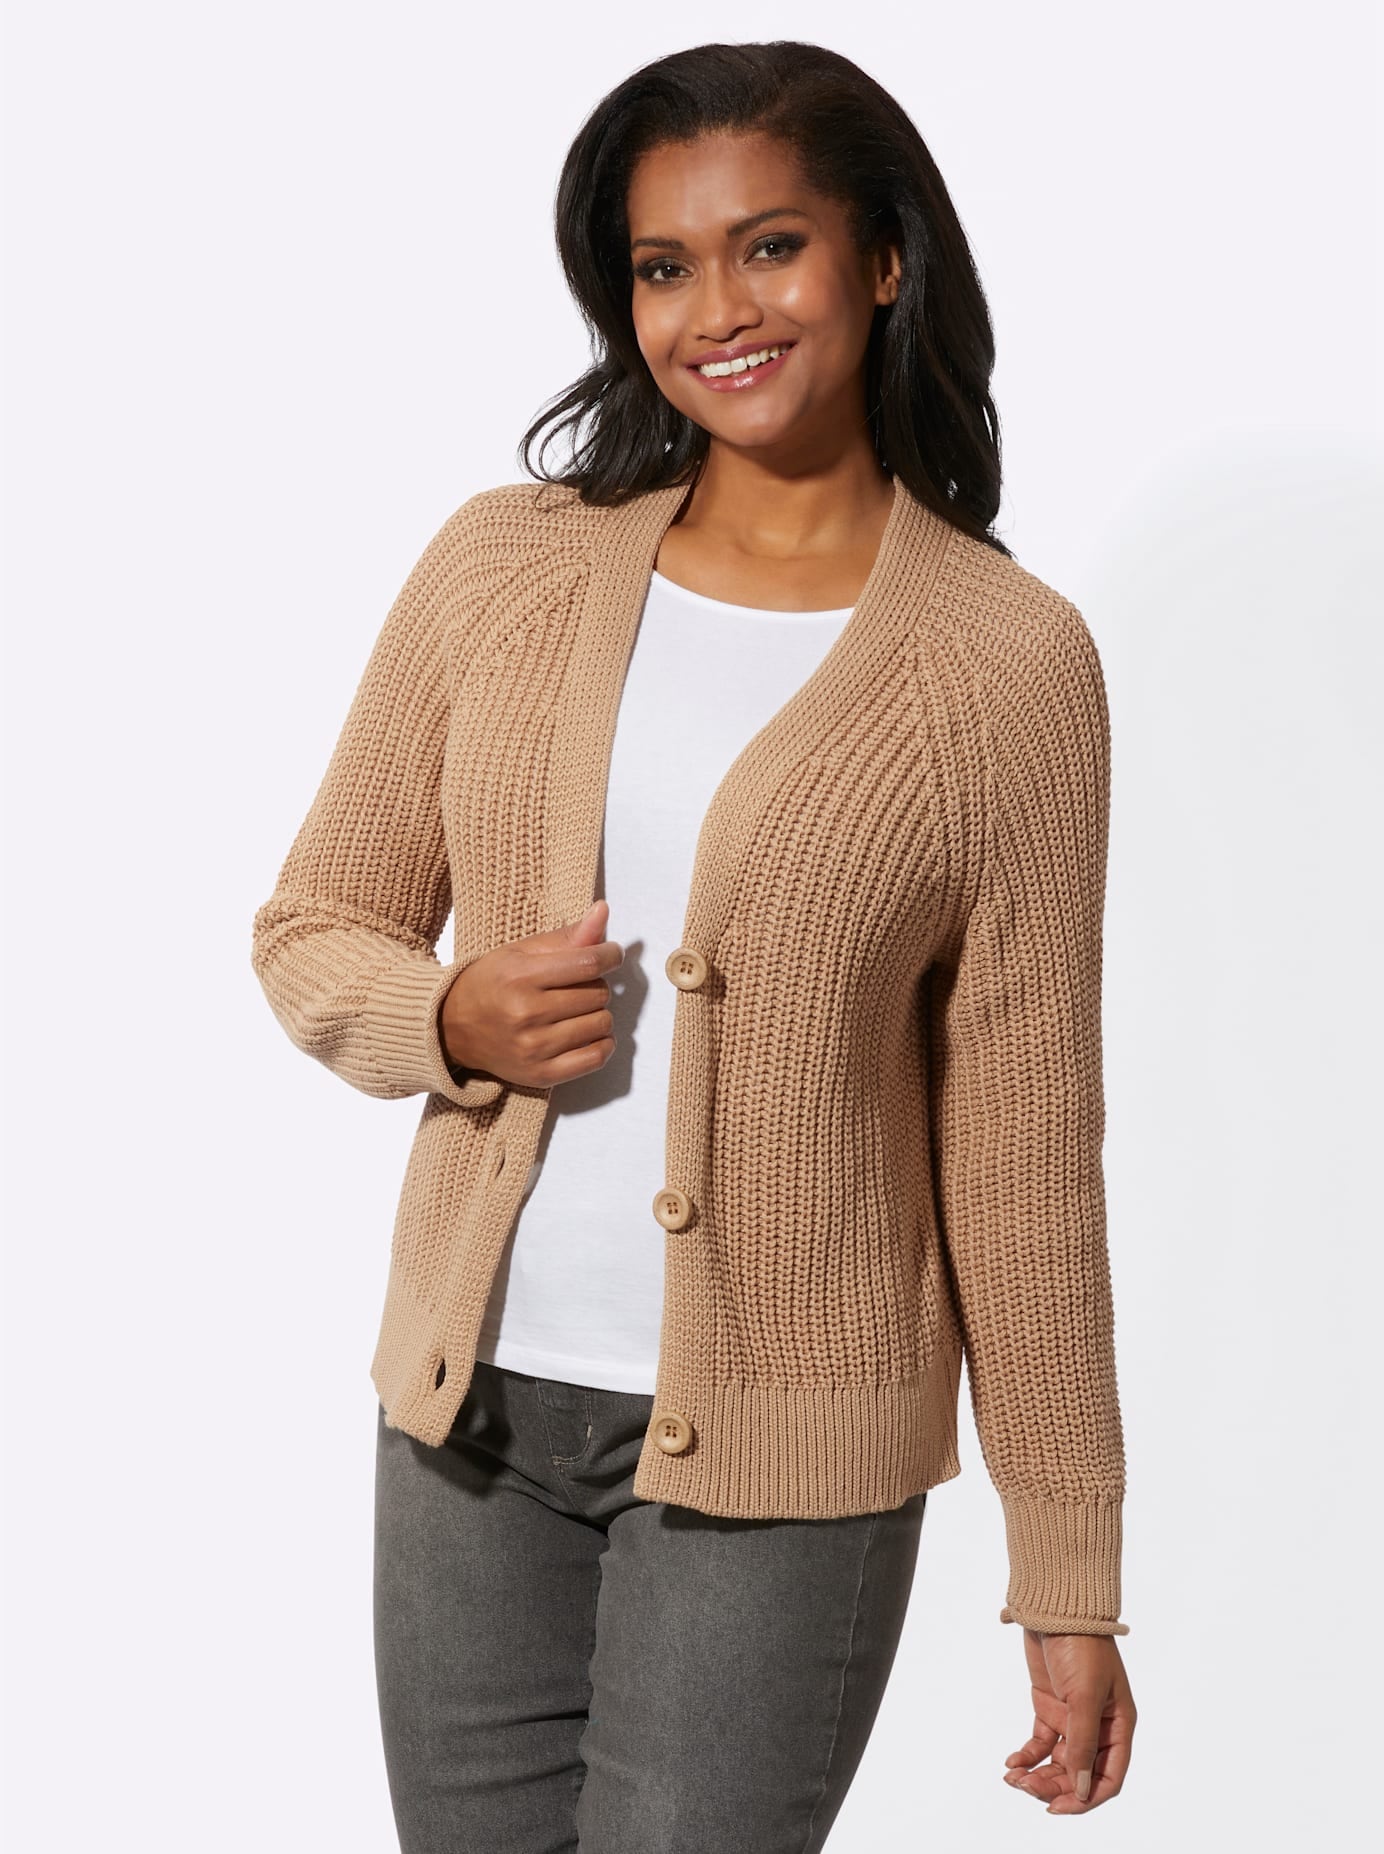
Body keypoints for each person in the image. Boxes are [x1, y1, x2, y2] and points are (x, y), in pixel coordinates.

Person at [250, 38, 1138, 1851]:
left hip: (786, 1474)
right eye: (664, 266)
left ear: (882, 258)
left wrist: (1068, 1570)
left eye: (769, 247)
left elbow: (1024, 1151)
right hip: (471, 1425)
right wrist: (449, 1012)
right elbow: (313, 925)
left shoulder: (1008, 664)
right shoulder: (504, 566)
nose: (714, 311)